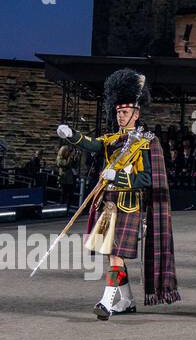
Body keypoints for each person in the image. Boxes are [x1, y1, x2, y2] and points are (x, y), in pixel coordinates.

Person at [57, 68, 179, 319]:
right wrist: (72, 136)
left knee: (116, 256)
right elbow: (92, 143)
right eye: (118, 112)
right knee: (111, 256)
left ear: (136, 113)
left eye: (124, 112)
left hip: (129, 207)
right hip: (108, 205)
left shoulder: (147, 142)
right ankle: (126, 301)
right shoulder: (112, 139)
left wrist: (120, 177)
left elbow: (148, 178)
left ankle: (106, 302)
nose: (120, 117)